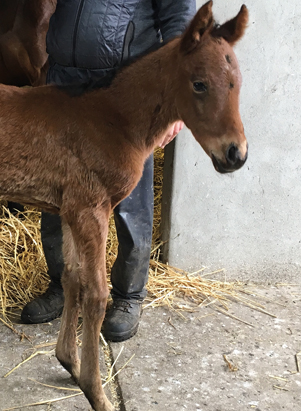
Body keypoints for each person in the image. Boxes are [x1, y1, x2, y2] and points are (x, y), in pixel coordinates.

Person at [21, 0, 195, 342]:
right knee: (56, 189)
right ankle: (61, 282)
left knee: (130, 198)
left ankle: (128, 295)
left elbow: (181, 20)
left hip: (124, 84)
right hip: (64, 79)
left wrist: (176, 100)